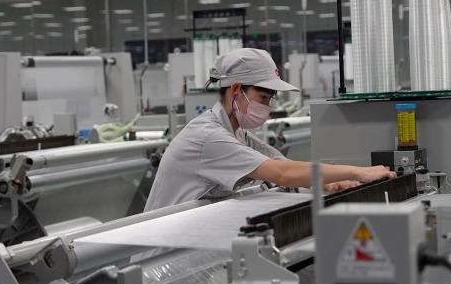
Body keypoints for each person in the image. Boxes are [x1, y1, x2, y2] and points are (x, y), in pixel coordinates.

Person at [144, 48, 394, 211]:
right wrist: (360, 172)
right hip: (161, 255)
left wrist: (331, 182)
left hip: (188, 242)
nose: (267, 106)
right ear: (236, 89)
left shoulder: (237, 134)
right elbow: (282, 173)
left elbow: (283, 163)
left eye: (270, 99)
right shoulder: (209, 137)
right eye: (263, 97)